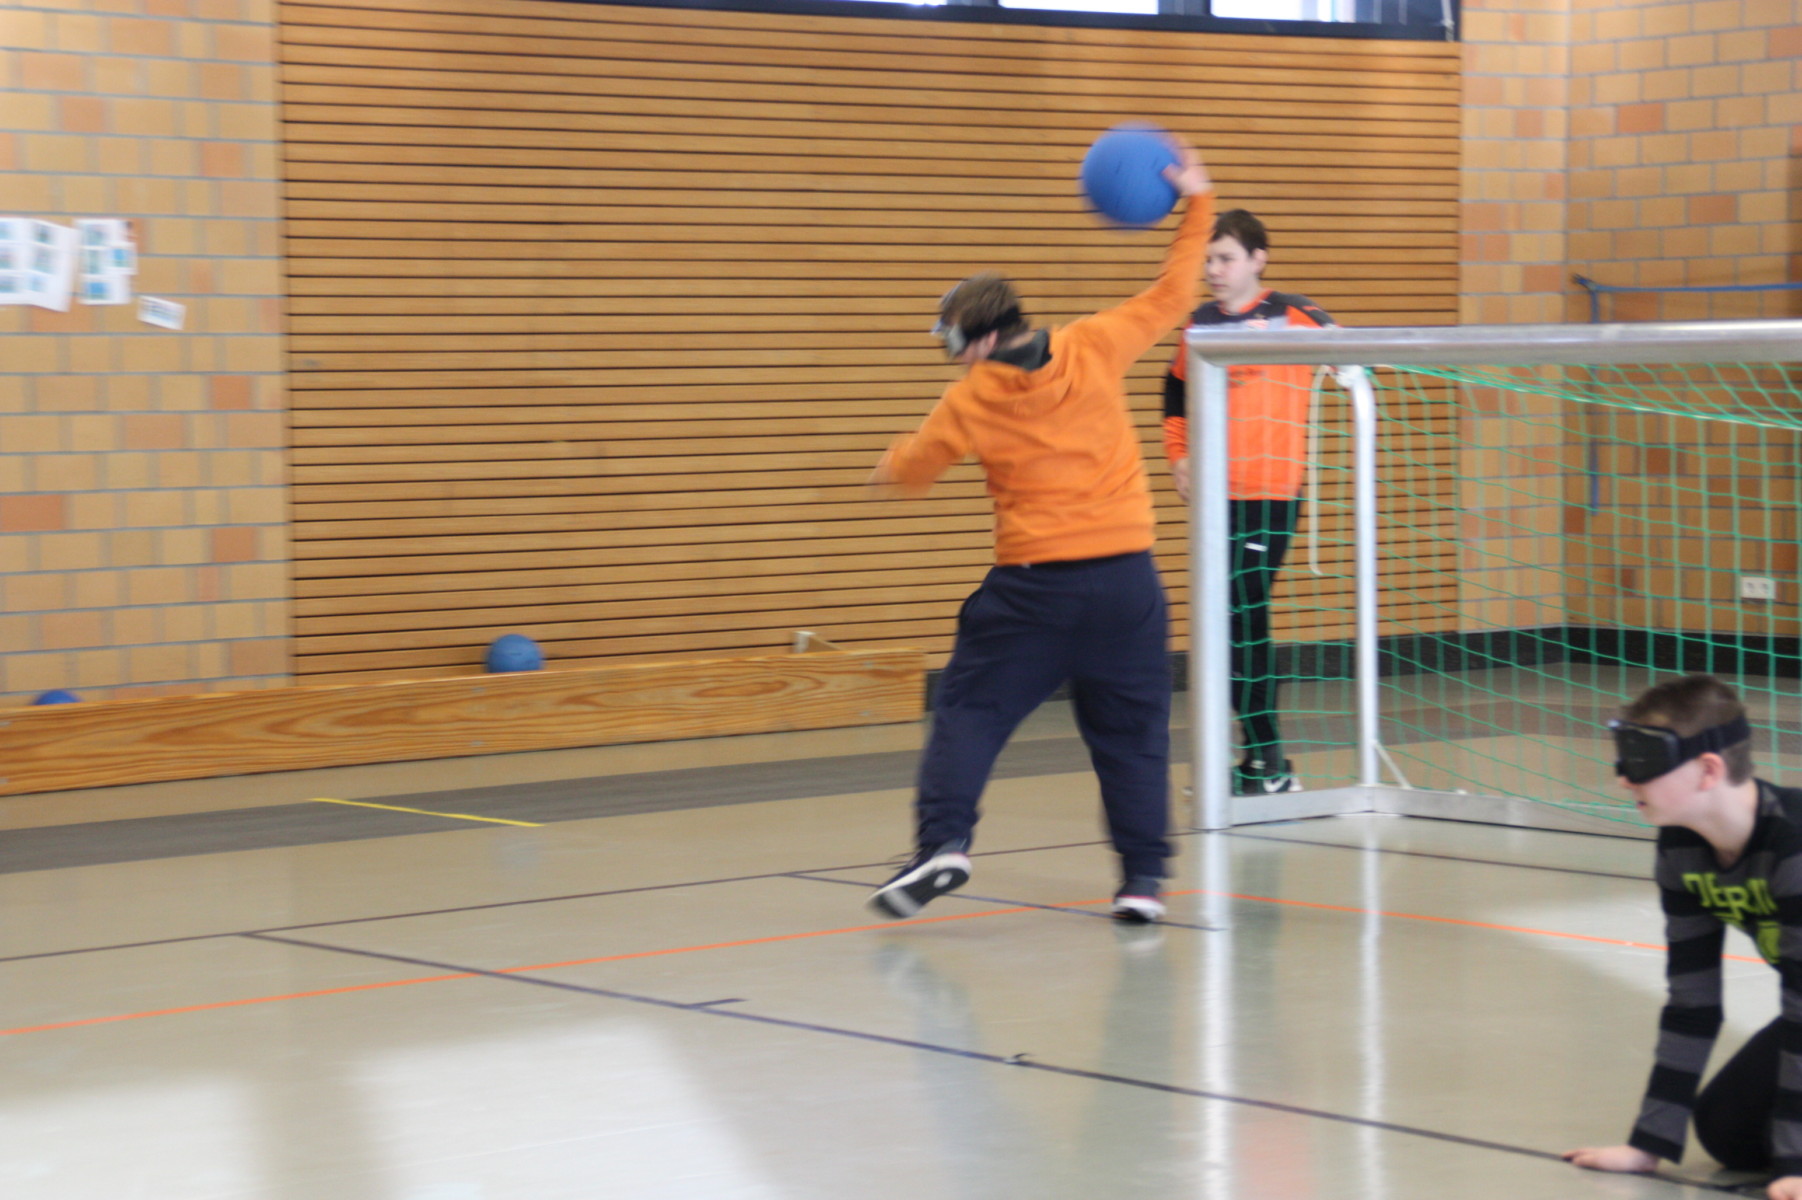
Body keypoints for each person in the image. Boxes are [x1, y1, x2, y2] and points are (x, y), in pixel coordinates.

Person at [865, 138, 1214, 926]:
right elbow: (1174, 290)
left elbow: (915, 470)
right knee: (1131, 734)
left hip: (1033, 593)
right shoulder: (1095, 343)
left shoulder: (968, 400)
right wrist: (1197, 201)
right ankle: (1142, 881)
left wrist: (888, 465)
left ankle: (943, 844)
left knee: (969, 711)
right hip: (1126, 585)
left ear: (985, 339)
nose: (954, 358)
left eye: (956, 343)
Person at [1564, 674, 1802, 1200]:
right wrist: (1648, 1145)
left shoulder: (1793, 845)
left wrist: (1794, 1164)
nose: (1624, 779)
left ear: (1708, 770)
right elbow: (1693, 1002)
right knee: (1728, 1132)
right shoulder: (1681, 847)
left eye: (1643, 761)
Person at [1159, 210, 1333, 796]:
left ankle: (1269, 763)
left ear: (1259, 259)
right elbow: (1174, 387)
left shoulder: (1293, 314)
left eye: (1226, 258)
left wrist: (1344, 363)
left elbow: (1347, 351)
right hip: (1217, 500)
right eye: (1208, 259)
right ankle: (1256, 761)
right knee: (1226, 622)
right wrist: (1179, 455)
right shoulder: (1201, 324)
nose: (1214, 269)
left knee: (1241, 613)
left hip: (1271, 499)